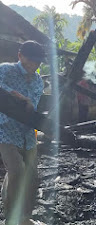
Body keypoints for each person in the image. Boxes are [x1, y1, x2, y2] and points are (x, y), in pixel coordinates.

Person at [0, 41, 46, 225]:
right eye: (30, 61)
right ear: (20, 56)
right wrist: (17, 95)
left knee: (31, 176)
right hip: (5, 130)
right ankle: (12, 218)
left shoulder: (38, 80)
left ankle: (25, 216)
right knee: (17, 170)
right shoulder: (5, 70)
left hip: (28, 134)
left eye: (37, 63)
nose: (33, 66)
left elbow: (34, 107)